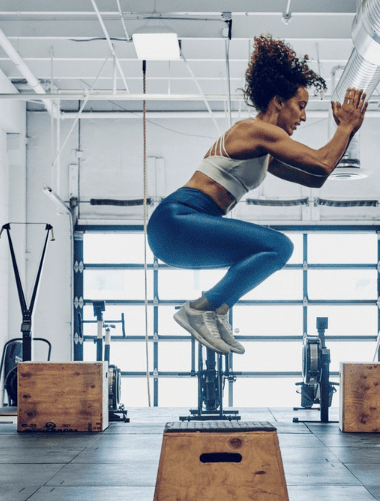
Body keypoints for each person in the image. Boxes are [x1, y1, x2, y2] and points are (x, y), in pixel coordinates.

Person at [147, 34, 368, 355]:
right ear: (278, 101)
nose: (303, 117)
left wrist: (345, 134)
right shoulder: (255, 130)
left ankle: (215, 309)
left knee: (263, 253)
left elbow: (316, 180)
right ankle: (201, 309)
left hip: (180, 234)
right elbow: (321, 163)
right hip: (177, 221)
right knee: (279, 246)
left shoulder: (264, 149)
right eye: (301, 106)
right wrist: (345, 128)